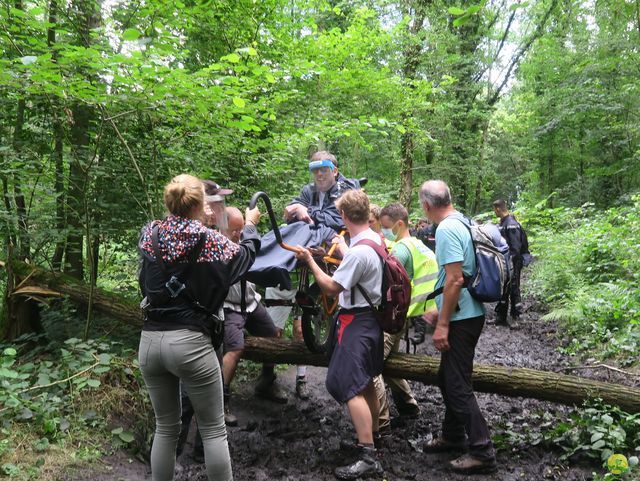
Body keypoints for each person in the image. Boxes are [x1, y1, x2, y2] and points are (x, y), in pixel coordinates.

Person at [138, 174, 262, 481]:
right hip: (190, 342)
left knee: (165, 427)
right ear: (201, 204)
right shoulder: (207, 239)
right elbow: (244, 257)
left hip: (150, 341)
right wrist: (250, 226)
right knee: (213, 430)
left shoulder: (149, 232)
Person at [295, 189, 384, 480]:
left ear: (344, 216)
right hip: (370, 321)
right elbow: (357, 263)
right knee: (366, 381)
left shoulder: (359, 252)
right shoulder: (373, 240)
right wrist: (341, 248)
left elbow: (332, 288)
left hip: (356, 323)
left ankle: (369, 456)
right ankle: (372, 436)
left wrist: (309, 261)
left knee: (347, 386)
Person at [419, 180, 497, 475]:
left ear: (427, 206)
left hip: (461, 317)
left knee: (457, 384)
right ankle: (453, 436)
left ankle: (481, 451)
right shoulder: (462, 220)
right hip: (466, 312)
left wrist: (442, 324)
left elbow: (455, 279)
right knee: (448, 377)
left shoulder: (446, 229)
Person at [267, 150, 359, 399]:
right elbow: (295, 210)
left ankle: (307, 377)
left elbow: (337, 217)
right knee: (277, 321)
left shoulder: (346, 189)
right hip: (305, 245)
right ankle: (270, 378)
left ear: (335, 170)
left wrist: (306, 212)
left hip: (334, 246)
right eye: (315, 170)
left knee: (313, 318)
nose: (319, 174)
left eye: (324, 169)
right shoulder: (308, 191)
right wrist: (293, 211)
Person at [373, 203, 439, 430]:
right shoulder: (418, 245)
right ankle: (409, 406)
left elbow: (383, 284)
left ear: (399, 224)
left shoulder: (401, 249)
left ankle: (379, 425)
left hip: (395, 317)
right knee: (388, 363)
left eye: (386, 226)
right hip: (409, 314)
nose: (384, 231)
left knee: (371, 365)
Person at [221, 207, 287, 426]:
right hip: (229, 306)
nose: (238, 234)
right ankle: (221, 401)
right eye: (234, 230)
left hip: (250, 302)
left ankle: (266, 381)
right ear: (223, 226)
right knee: (234, 348)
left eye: (241, 229)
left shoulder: (244, 241)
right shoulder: (215, 244)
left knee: (273, 335)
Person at [492, 199, 529, 327]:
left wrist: (512, 263)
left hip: (513, 261)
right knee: (503, 288)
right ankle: (501, 316)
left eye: (494, 210)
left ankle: (515, 316)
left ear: (497, 209)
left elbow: (515, 247)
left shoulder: (511, 224)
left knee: (513, 287)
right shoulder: (502, 223)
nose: (494, 212)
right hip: (504, 261)